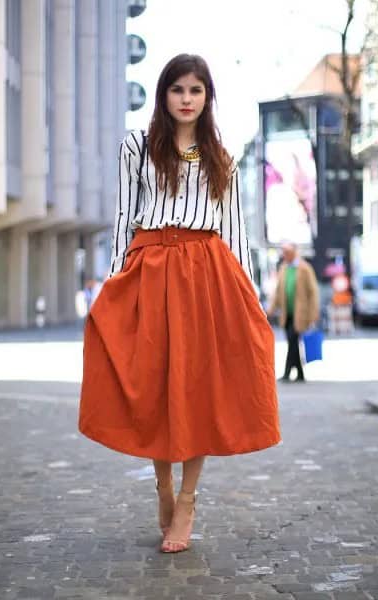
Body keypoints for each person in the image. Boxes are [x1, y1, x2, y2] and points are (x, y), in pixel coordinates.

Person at [79, 54, 281, 553]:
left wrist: (249, 294)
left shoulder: (221, 155)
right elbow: (124, 214)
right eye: (178, 90)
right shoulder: (138, 146)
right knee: (152, 383)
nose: (187, 99)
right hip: (150, 267)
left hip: (206, 273)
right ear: (163, 95)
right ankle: (163, 486)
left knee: (197, 387)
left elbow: (235, 228)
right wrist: (113, 285)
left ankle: (187, 501)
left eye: (196, 90)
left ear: (207, 96)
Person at [267, 242, 319, 382]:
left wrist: (314, 314)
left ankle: (287, 372)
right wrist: (270, 310)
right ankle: (300, 374)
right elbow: (278, 291)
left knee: (292, 341)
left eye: (287, 252)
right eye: (283, 253)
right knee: (293, 342)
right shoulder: (284, 268)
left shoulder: (304, 268)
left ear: (294, 252)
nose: (284, 255)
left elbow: (313, 292)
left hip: (300, 314)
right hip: (286, 313)